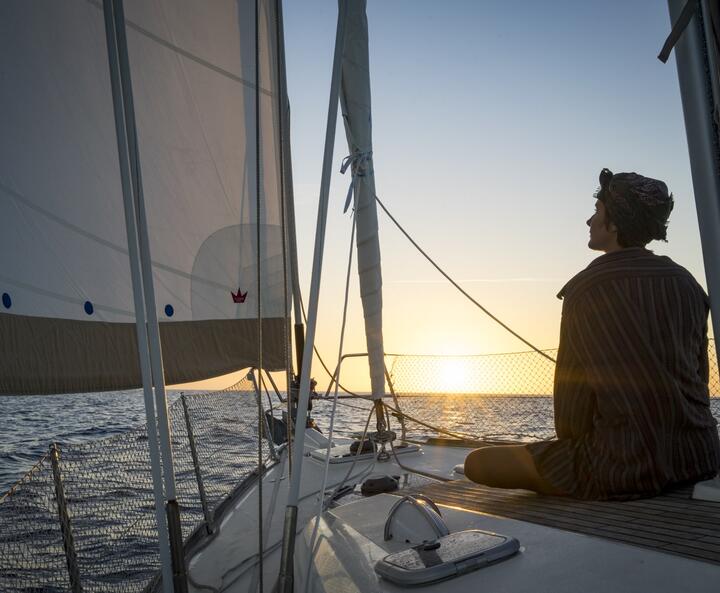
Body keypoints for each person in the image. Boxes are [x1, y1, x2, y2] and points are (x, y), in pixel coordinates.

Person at [464, 168, 720, 500]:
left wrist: (576, 447)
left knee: (478, 463)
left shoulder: (585, 288)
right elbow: (700, 377)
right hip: (700, 455)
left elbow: (572, 405)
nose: (588, 221)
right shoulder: (689, 284)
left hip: (623, 465)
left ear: (614, 225)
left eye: (597, 212)